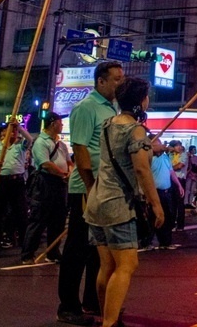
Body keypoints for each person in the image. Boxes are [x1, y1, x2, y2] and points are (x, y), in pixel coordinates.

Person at [84, 77, 164, 327]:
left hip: (97, 200)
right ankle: (110, 322)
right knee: (128, 264)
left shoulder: (109, 124)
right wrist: (156, 204)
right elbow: (141, 169)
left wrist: (149, 148)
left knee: (107, 265)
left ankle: (107, 316)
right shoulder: (135, 129)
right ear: (141, 101)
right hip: (118, 203)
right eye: (146, 97)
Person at [57, 60, 124, 326]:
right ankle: (68, 306)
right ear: (101, 81)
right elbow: (81, 150)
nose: (120, 83)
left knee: (100, 250)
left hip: (106, 188)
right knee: (77, 249)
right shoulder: (86, 108)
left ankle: (92, 300)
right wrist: (89, 187)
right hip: (87, 187)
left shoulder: (114, 108)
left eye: (122, 79)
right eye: (116, 79)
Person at [22, 112, 70, 263]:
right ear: (52, 123)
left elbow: (69, 162)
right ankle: (28, 254)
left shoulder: (60, 144)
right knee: (39, 218)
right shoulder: (41, 142)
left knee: (58, 219)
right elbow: (46, 164)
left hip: (60, 184)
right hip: (45, 182)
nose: (62, 125)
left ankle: (53, 252)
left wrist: (71, 173)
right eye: (60, 122)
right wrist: (63, 173)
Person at [0, 120, 31, 251]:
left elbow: (29, 139)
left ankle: (25, 245)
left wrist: (20, 127)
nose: (13, 133)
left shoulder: (20, 146)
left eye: (15, 131)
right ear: (4, 133)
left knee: (21, 213)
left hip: (17, 181)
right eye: (11, 130)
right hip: (2, 181)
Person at [142, 136, 177, 250]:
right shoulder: (148, 158)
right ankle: (147, 242)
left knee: (167, 217)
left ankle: (165, 242)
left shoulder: (165, 158)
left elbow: (171, 172)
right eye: (157, 145)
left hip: (166, 192)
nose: (160, 147)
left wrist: (179, 185)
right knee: (152, 218)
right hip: (154, 192)